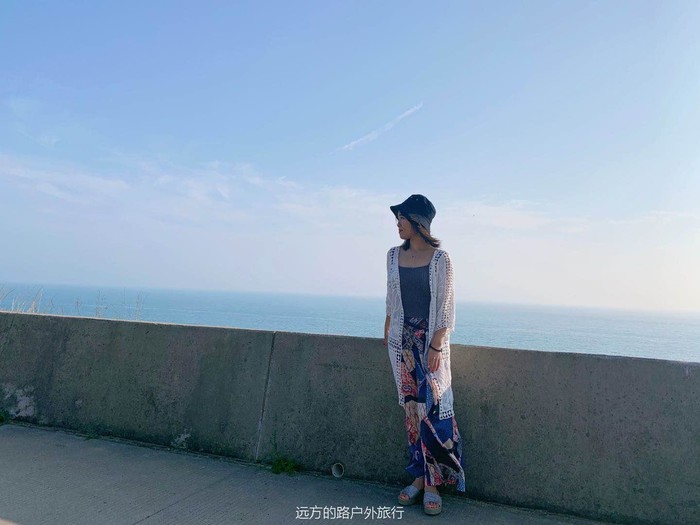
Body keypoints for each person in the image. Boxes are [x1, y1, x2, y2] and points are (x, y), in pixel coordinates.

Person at [383, 194, 466, 516]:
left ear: (418, 222)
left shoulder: (441, 259)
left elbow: (446, 307)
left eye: (402, 218)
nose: (397, 224)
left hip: (430, 346)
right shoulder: (393, 256)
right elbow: (391, 299)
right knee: (412, 412)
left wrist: (436, 345)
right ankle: (419, 477)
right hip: (401, 345)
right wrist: (388, 332)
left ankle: (434, 485)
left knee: (435, 411)